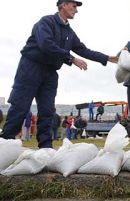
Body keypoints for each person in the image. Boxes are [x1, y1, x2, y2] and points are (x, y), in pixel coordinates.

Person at [0, 0, 118, 148]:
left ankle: (46, 148)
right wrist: (71, 59)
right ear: (63, 5)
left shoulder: (69, 32)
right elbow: (46, 44)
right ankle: (5, 143)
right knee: (20, 107)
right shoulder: (45, 22)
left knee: (47, 111)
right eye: (74, 6)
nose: (76, 10)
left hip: (50, 73)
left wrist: (107, 58)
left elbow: (83, 50)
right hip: (31, 68)